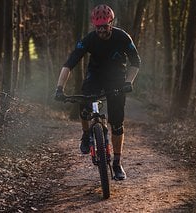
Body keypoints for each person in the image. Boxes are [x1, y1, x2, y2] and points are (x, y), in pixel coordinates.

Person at [54, 4, 141, 180]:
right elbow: (69, 64)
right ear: (95, 26)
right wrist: (59, 88)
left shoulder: (122, 37)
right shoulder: (89, 40)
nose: (102, 31)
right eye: (98, 28)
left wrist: (128, 82)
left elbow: (136, 62)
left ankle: (117, 163)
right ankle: (86, 134)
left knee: (116, 123)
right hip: (95, 76)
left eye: (105, 27)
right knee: (84, 106)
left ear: (111, 23)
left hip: (117, 78)